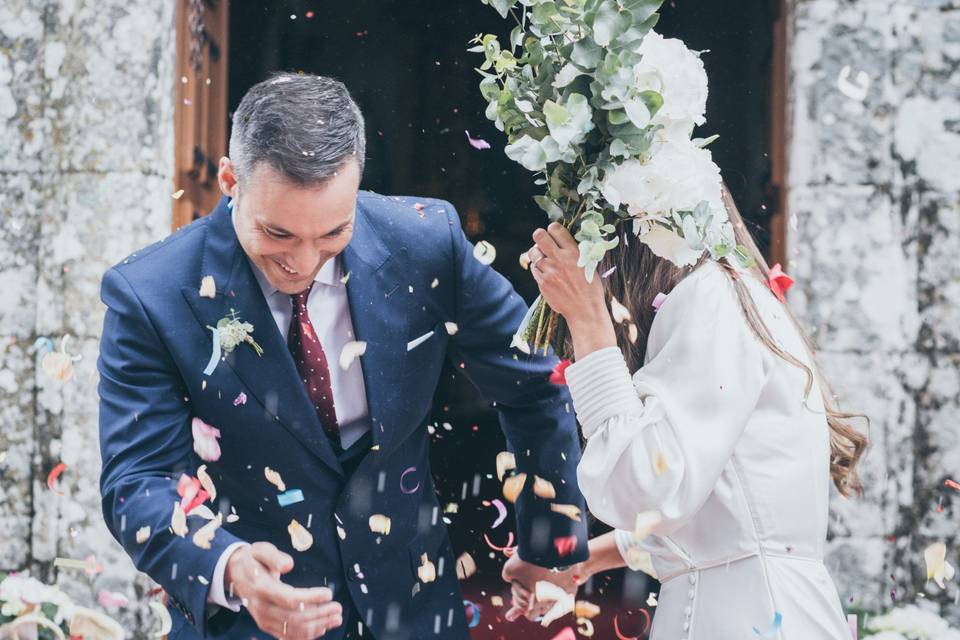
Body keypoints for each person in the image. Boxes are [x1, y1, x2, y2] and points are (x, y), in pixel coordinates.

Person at [97, 72, 588, 640]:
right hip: (251, 624)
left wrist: (552, 542)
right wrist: (227, 567)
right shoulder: (150, 294)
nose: (304, 262)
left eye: (334, 233)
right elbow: (138, 479)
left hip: (417, 608)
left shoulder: (427, 242)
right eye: (277, 234)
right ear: (230, 181)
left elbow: (534, 382)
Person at [507, 186, 868, 639]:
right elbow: (715, 517)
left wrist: (587, 317)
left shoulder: (711, 297)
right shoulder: (731, 295)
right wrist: (583, 560)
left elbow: (645, 491)